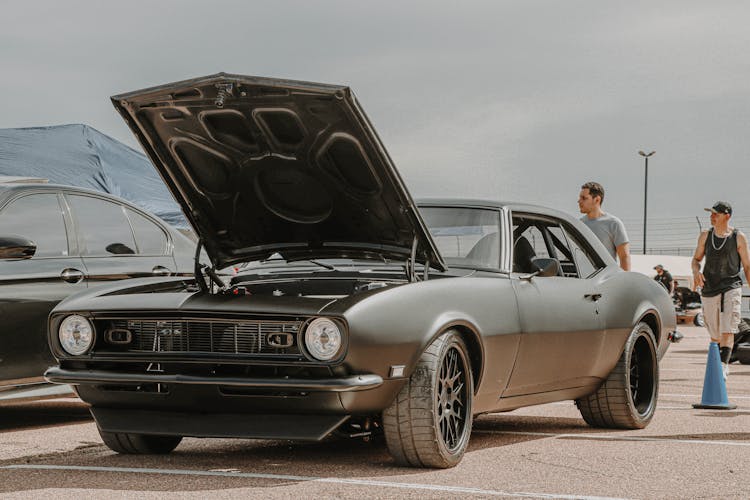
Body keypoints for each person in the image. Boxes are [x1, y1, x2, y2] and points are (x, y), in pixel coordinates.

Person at [692, 201, 750, 380]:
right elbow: (696, 259)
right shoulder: (705, 235)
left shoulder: (738, 237)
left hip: (731, 286)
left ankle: (724, 365)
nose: (712, 216)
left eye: (715, 214)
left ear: (727, 216)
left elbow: (747, 266)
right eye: (711, 213)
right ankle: (718, 363)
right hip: (710, 288)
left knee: (728, 328)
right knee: (714, 333)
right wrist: (696, 271)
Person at [578, 181, 631, 271]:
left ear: (597, 200)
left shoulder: (613, 223)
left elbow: (624, 257)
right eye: (580, 197)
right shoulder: (579, 224)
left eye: (584, 198)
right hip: (584, 280)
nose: (579, 201)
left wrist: (624, 282)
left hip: (606, 280)